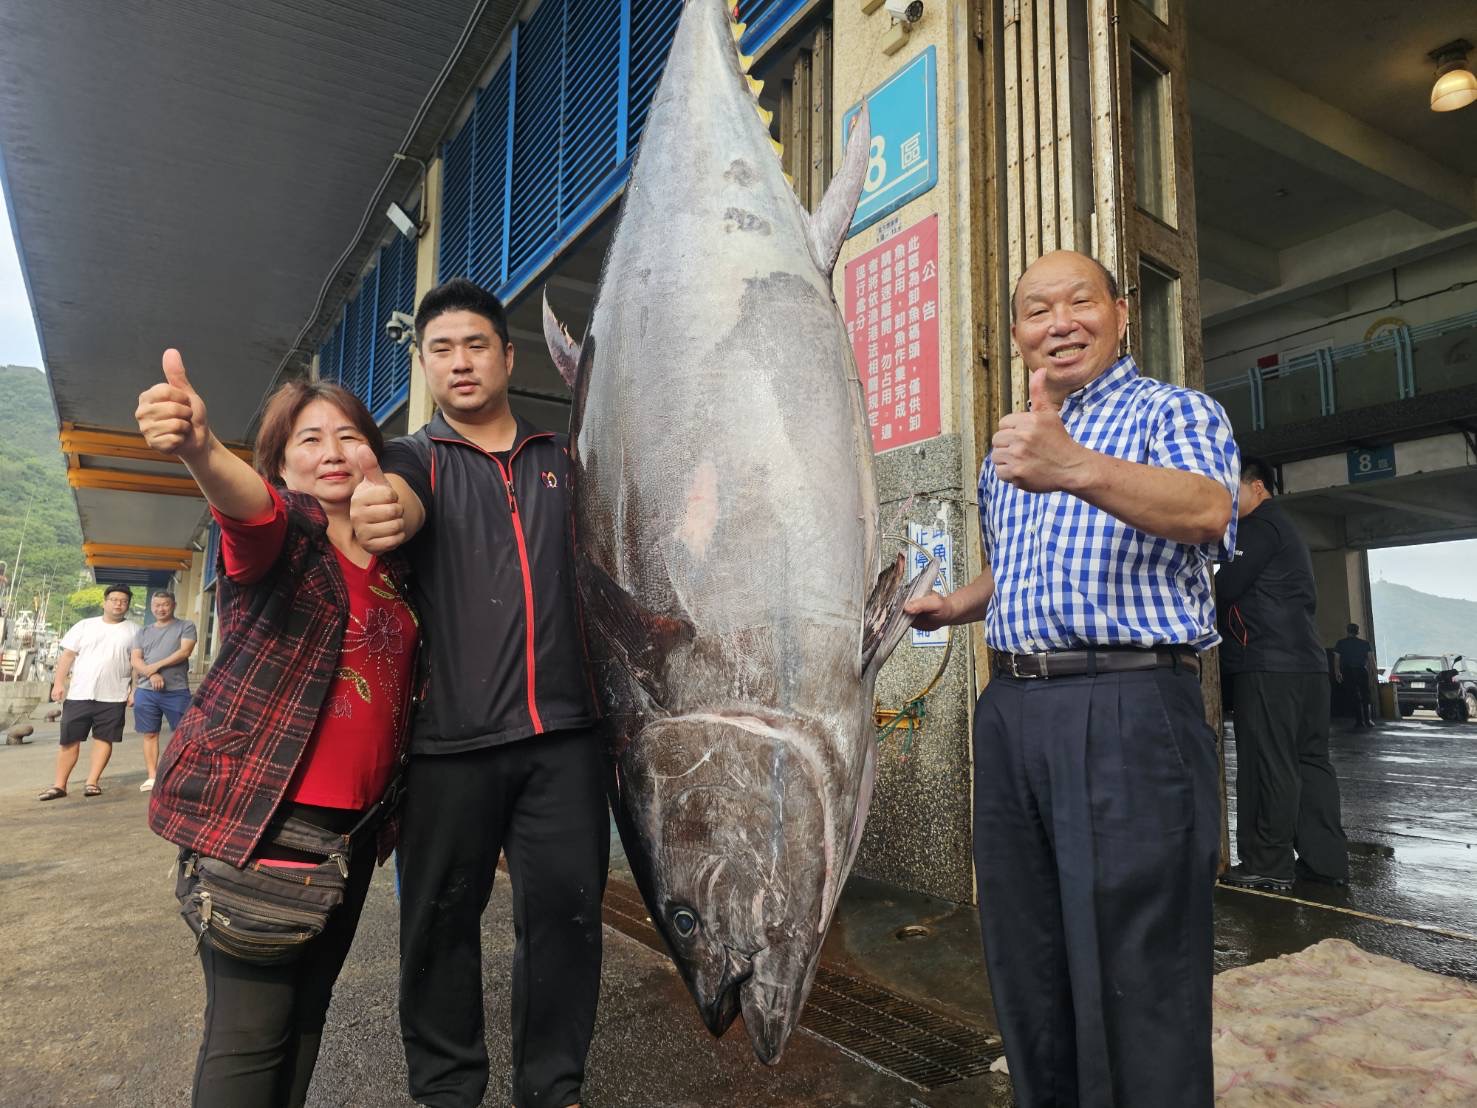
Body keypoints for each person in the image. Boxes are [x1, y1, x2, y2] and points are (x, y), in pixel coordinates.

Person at [904, 250, 1239, 1108]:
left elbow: (1207, 511)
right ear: (1016, 336)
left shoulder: (1174, 411)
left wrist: (1073, 465)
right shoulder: (1007, 448)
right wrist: (957, 605)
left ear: (1120, 313)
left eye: (1078, 302)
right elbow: (1017, 568)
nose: (1059, 322)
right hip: (1012, 708)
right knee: (1028, 949)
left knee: (1138, 962)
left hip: (1129, 704)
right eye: (1036, 310)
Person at [136, 350, 419, 1107]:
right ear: (283, 467)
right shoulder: (285, 538)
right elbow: (245, 507)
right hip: (265, 819)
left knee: (307, 1017)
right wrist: (201, 449)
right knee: (248, 1036)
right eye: (309, 440)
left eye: (350, 436)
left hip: (355, 833)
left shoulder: (398, 567)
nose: (333, 453)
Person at [350, 278, 607, 1108]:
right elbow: (395, 508)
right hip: (446, 745)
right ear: (422, 366)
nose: (457, 363)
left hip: (566, 739)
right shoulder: (410, 461)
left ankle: (552, 1089)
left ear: (506, 356)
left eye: (473, 346)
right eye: (439, 350)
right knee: (438, 930)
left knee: (566, 926)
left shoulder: (564, 457)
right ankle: (447, 1090)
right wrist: (382, 508)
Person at [1217, 457, 1349, 891]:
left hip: (1270, 665)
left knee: (1266, 764)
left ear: (1256, 487)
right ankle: (1326, 862)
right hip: (1308, 667)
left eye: (1232, 489)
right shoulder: (1287, 530)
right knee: (1311, 762)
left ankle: (1265, 863)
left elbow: (1225, 589)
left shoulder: (1258, 527)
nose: (1227, 500)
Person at [37, 584, 137, 800]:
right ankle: (59, 785)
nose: (119, 604)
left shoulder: (134, 630)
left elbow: (136, 664)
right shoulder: (84, 625)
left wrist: (134, 690)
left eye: (124, 601)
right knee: (69, 740)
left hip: (114, 694)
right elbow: (67, 656)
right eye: (114, 600)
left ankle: (92, 782)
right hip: (80, 693)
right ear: (104, 602)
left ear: (127, 605)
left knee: (104, 738)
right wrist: (58, 684)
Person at [131, 590, 197, 792]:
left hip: (176, 690)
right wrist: (151, 674)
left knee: (184, 733)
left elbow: (184, 652)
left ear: (173, 605)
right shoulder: (143, 632)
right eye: (156, 605)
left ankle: (182, 774)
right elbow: (135, 660)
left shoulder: (186, 626)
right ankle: (152, 776)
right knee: (149, 734)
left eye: (165, 604)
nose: (160, 609)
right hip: (146, 691)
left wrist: (155, 666)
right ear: (152, 607)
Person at [1334, 622, 1377, 728]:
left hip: (1348, 671)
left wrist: (1337, 672)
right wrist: (1374, 674)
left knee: (1354, 696)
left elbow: (1336, 660)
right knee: (1365, 695)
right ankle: (1368, 720)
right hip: (1362, 671)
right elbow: (1371, 661)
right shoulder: (1365, 644)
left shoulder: (1340, 643)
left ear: (1347, 631)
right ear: (1357, 632)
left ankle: (1359, 721)